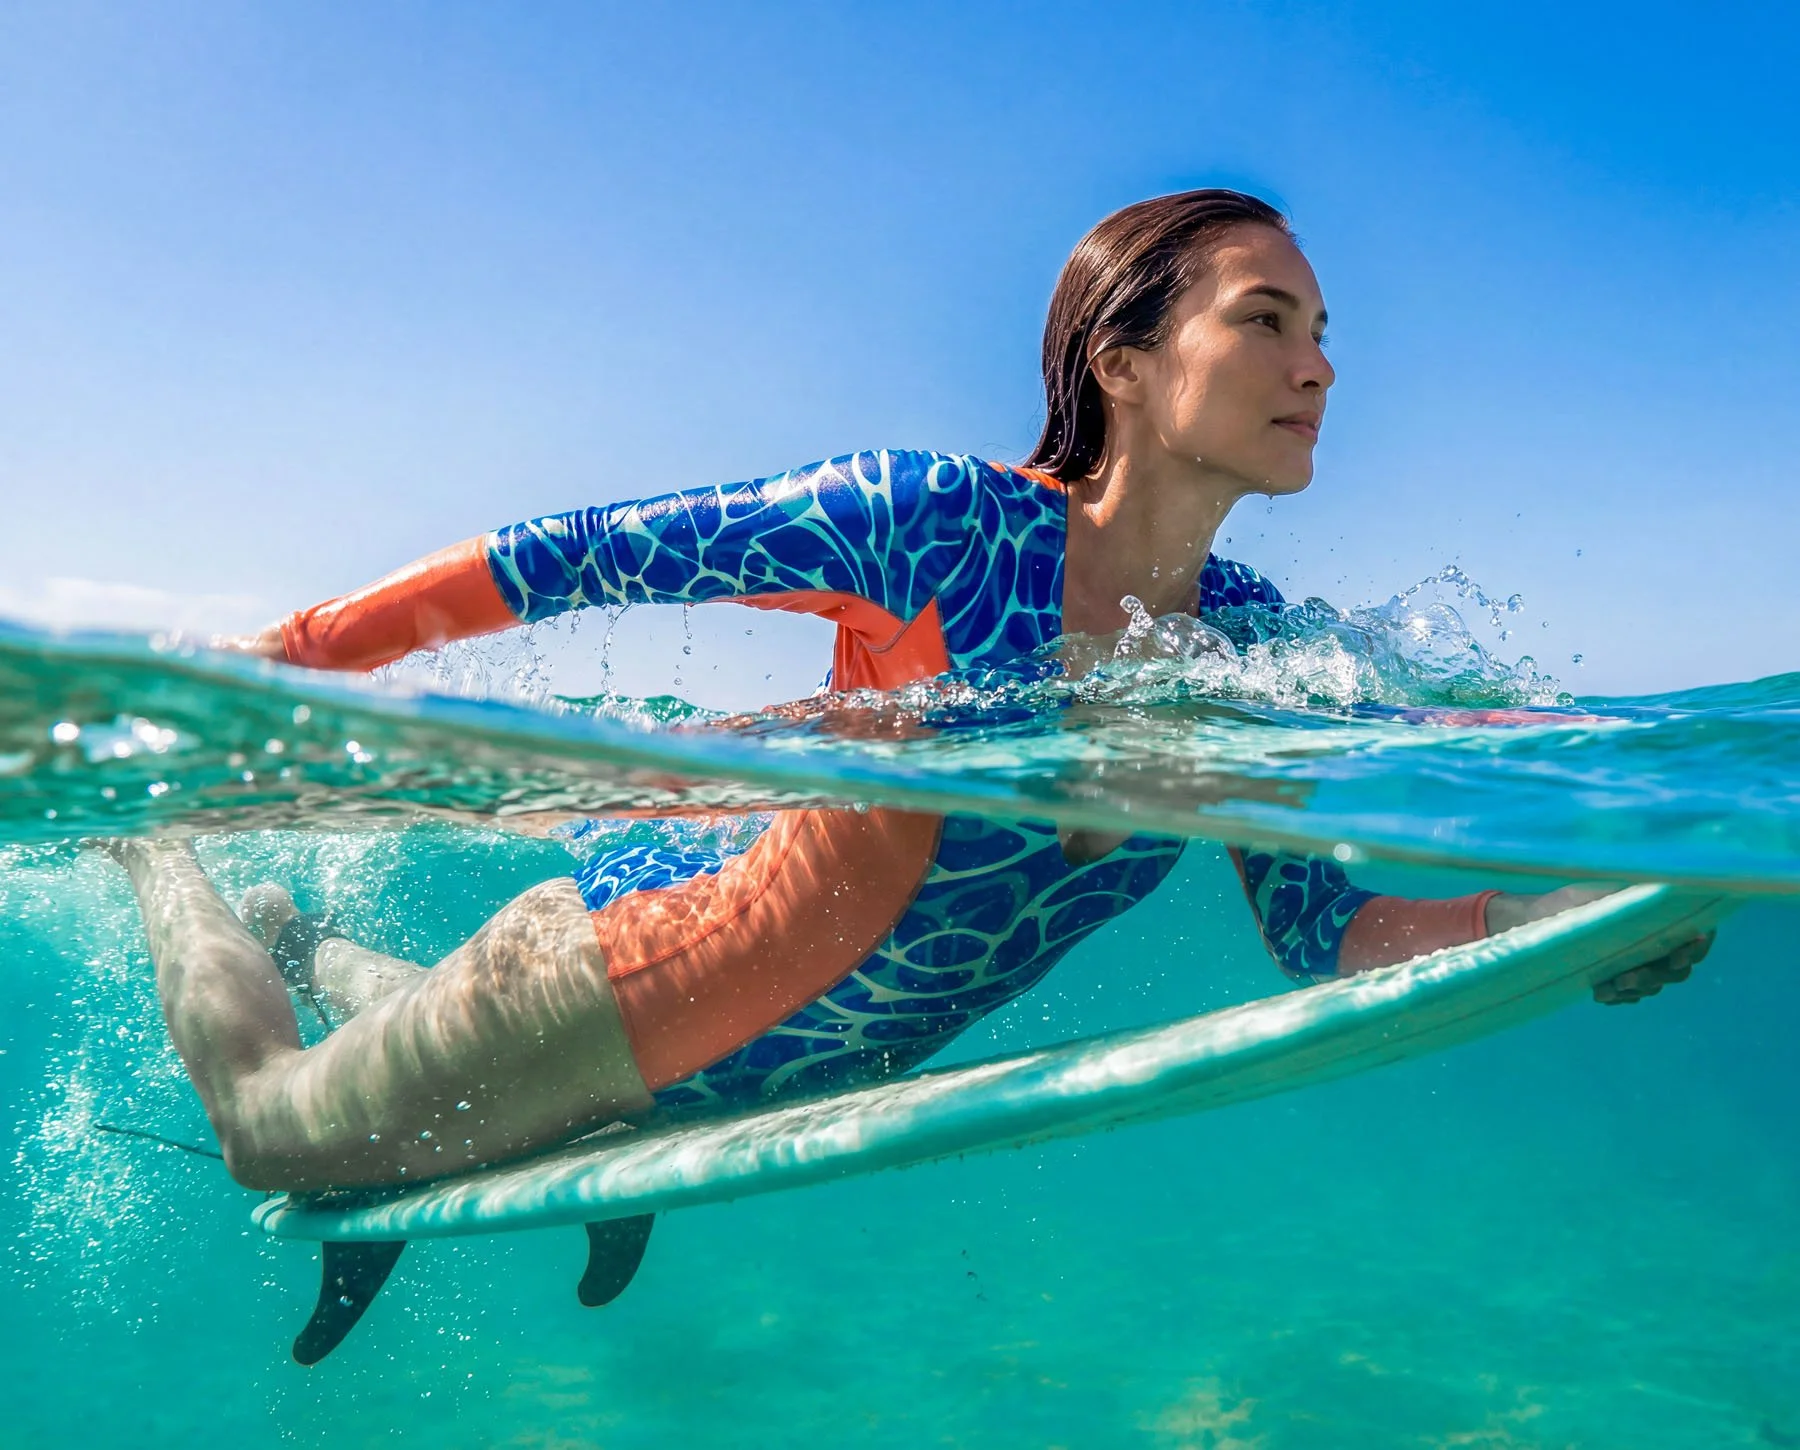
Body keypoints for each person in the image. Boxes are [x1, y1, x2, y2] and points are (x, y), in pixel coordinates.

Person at [109, 190, 1707, 1195]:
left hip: (737, 1065)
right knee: (266, 1127)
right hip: (610, 994)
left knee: (387, 1030)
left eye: (1325, 333)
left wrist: (1566, 915)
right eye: (1267, 320)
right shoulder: (935, 522)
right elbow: (577, 558)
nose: (1321, 368)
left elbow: (1328, 937)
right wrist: (281, 672)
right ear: (1126, 361)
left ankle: (319, 935)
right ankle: (157, 853)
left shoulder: (1239, 643)